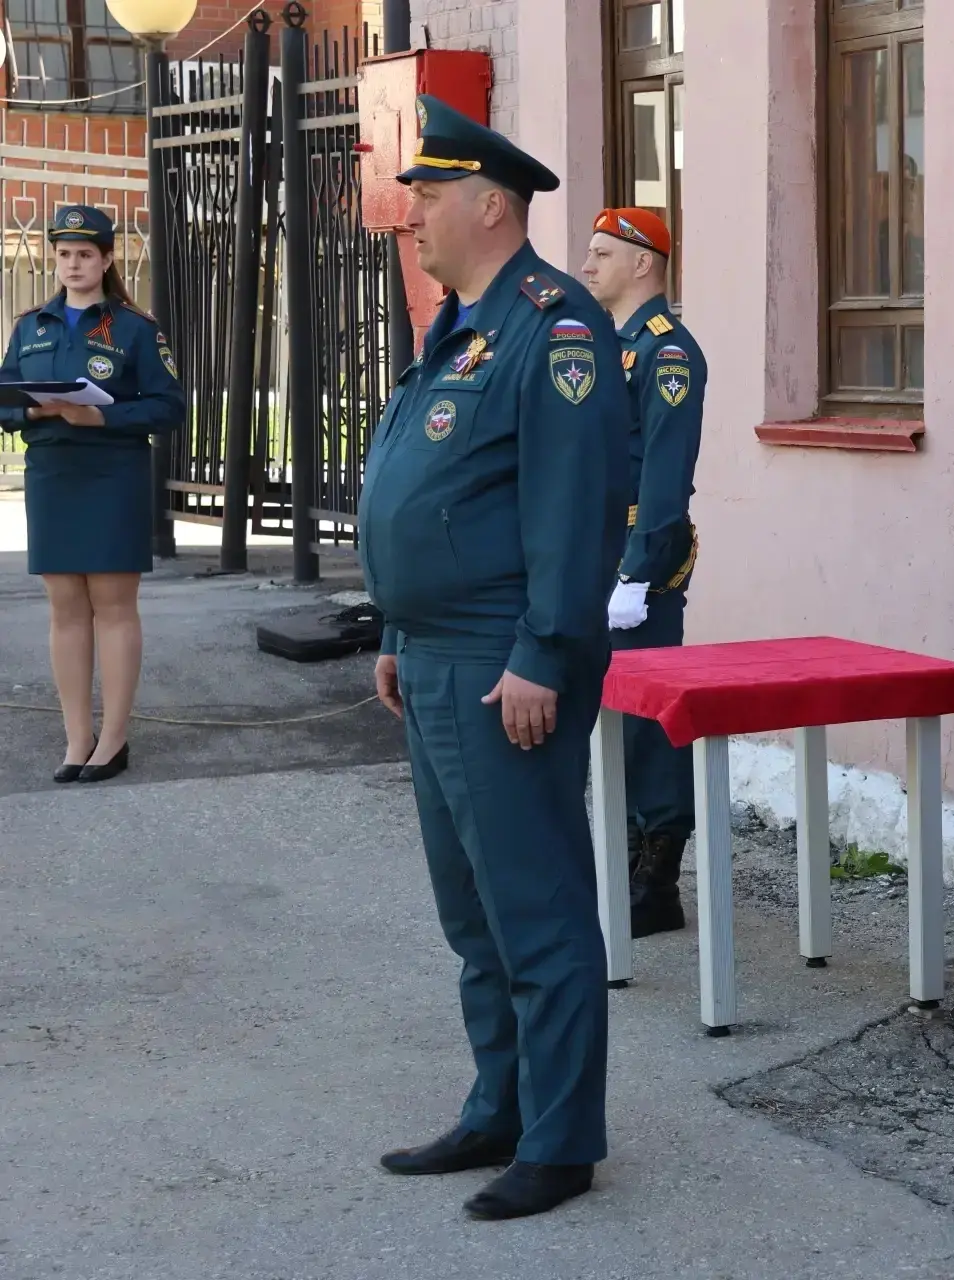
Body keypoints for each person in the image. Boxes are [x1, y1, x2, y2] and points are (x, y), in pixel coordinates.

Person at [358, 96, 629, 1221]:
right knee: (471, 910)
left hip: (500, 658)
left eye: (427, 195)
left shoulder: (554, 328)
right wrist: (397, 630)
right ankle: (500, 1105)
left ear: (491, 205)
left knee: (534, 901)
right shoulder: (461, 326)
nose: (410, 214)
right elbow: (437, 494)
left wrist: (543, 653)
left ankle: (560, 1139)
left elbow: (574, 511)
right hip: (433, 652)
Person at [0, 205, 184, 784]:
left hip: (112, 473)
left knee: (112, 604)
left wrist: (100, 417)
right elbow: (4, 399)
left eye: (85, 254)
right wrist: (33, 410)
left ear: (107, 260)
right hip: (52, 472)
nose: (73, 264)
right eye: (64, 254)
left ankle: (114, 738)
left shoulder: (135, 328)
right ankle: (77, 737)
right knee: (65, 607)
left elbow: (169, 406)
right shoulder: (31, 327)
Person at [579, 206, 704, 938]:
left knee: (646, 722)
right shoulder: (609, 345)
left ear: (643, 264)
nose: (587, 265)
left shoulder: (668, 352)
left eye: (602, 253)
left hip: (638, 561)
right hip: (597, 553)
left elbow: (664, 470)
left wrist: (638, 571)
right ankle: (624, 862)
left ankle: (656, 881)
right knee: (610, 714)